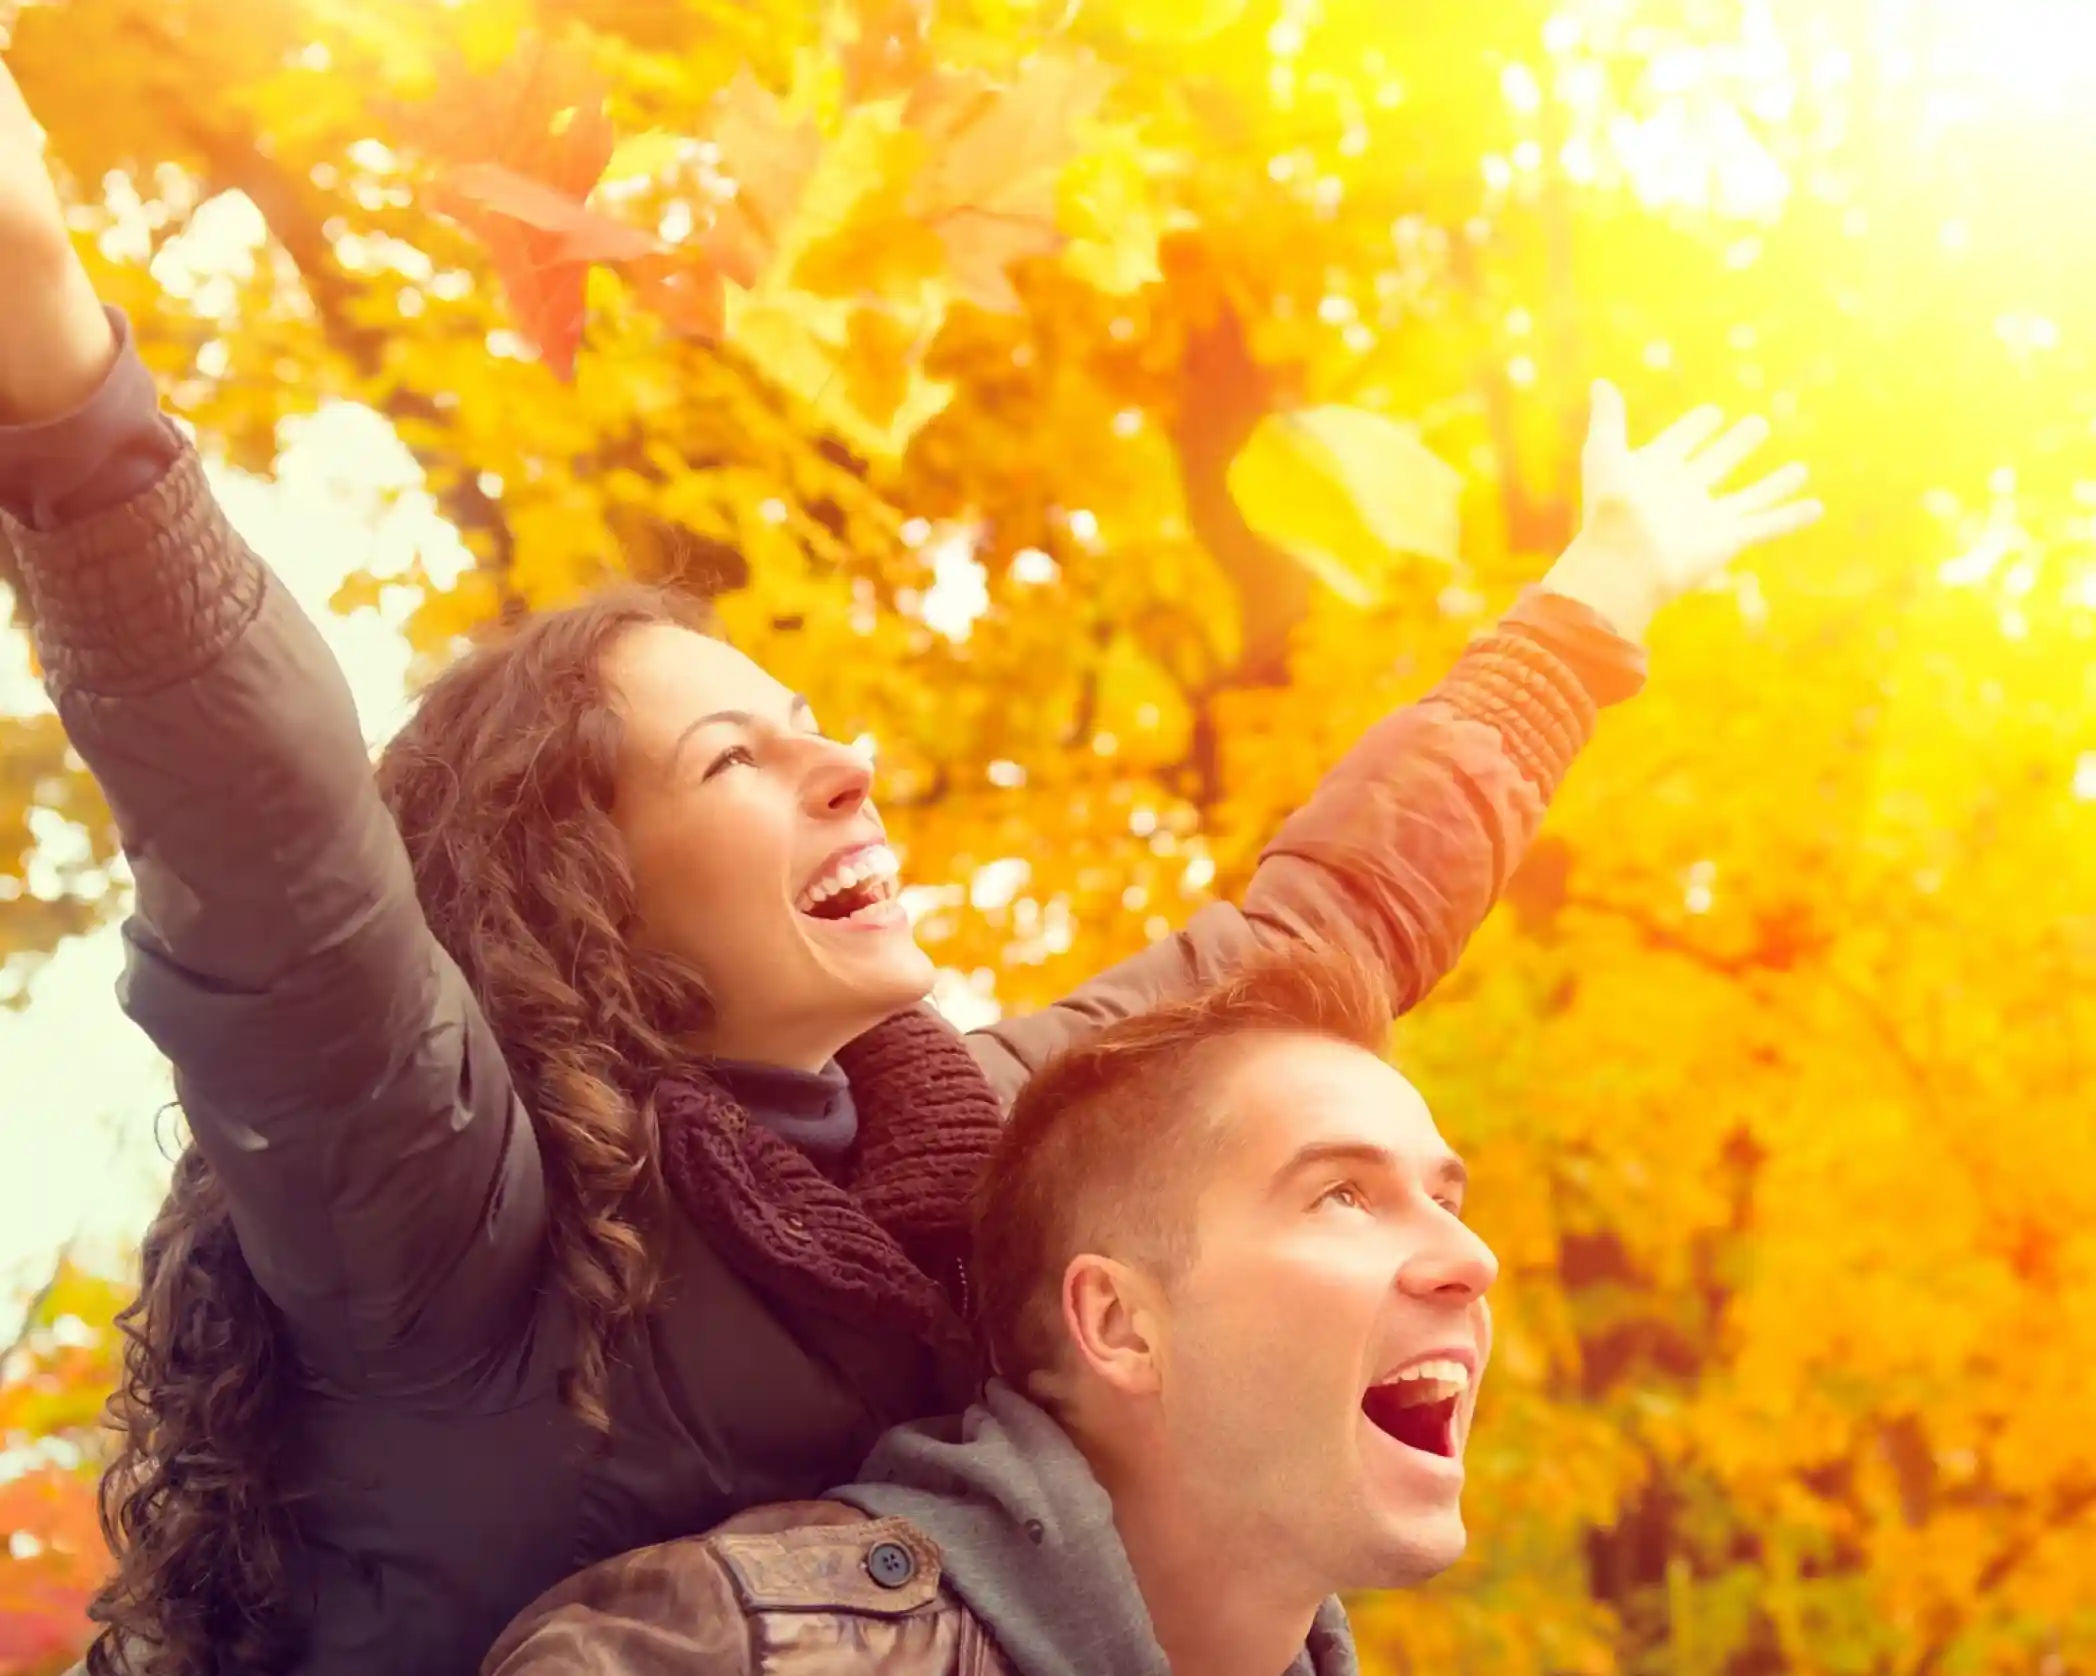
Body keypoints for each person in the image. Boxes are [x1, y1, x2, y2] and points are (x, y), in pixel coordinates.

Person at [0, 57, 1820, 1676]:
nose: (847, 765)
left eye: (816, 725)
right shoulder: (444, 1207)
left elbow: (1325, 920)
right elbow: (271, 826)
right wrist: (59, 368)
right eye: (738, 759)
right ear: (588, 894)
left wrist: (1590, 609)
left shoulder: (973, 1135)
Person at [482, 943, 1488, 1676]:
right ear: (1119, 1323)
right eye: (1342, 1195)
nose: (1470, 1258)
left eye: (1444, 1199)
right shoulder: (724, 1651)